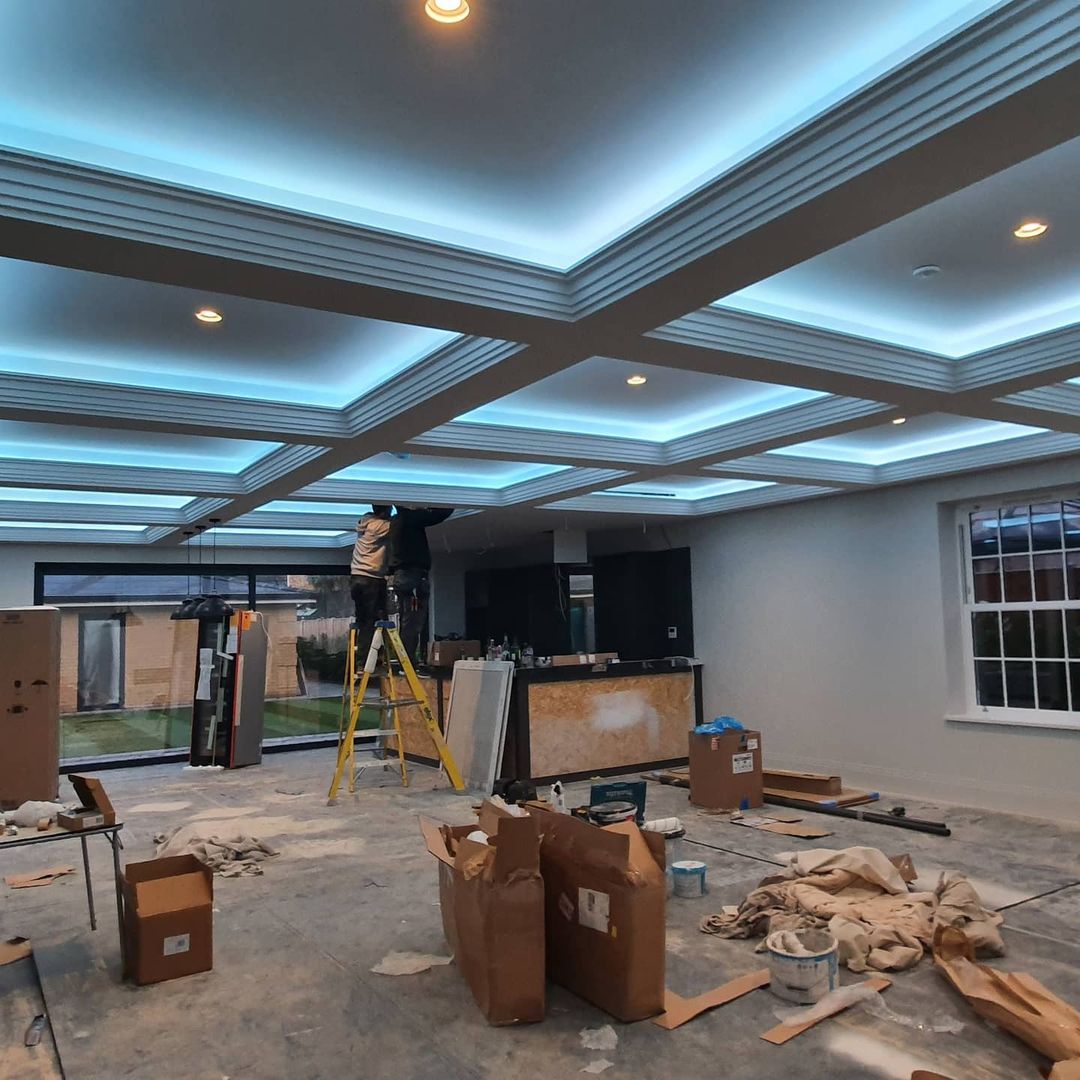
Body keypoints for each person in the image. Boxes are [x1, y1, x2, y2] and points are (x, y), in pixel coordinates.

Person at [388, 505, 453, 664]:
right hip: (413, 576)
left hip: (402, 576)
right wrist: (451, 502)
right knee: (413, 621)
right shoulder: (410, 518)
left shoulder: (395, 521)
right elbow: (437, 515)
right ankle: (408, 663)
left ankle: (405, 660)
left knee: (407, 619)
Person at [349, 505, 392, 664]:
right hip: (371, 578)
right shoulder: (380, 526)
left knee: (363, 619)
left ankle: (369, 658)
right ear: (385, 511)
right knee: (372, 620)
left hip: (356, 578)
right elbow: (401, 525)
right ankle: (366, 660)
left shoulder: (366, 521)